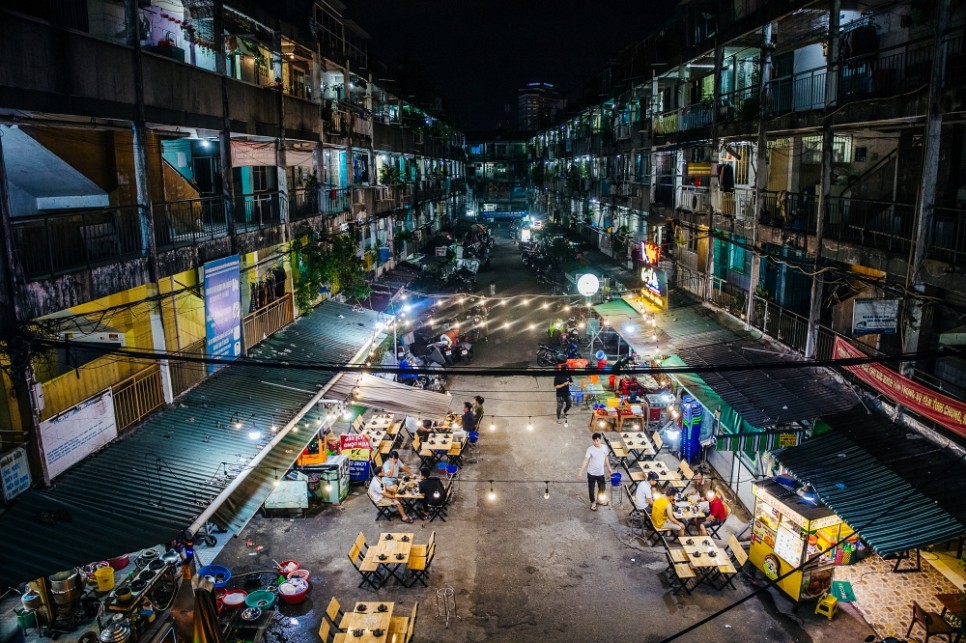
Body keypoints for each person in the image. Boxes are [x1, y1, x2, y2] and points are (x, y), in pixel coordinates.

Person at [576, 432, 611, 511]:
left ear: (600, 439)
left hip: (600, 472)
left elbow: (606, 458)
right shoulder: (590, 449)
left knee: (602, 488)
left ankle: (599, 500)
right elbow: (585, 460)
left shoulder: (605, 448)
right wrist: (580, 472)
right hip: (591, 473)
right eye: (594, 441)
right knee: (591, 488)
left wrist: (609, 468)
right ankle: (593, 503)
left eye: (597, 440)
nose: (596, 442)